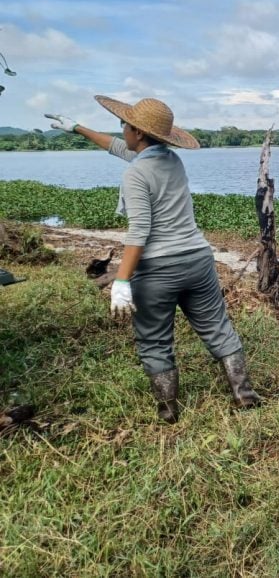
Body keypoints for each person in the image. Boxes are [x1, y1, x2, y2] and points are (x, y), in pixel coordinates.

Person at [47, 98, 261, 423]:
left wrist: (121, 280)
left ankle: (168, 411)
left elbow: (139, 231)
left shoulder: (135, 174)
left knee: (155, 340)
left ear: (137, 132)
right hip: (199, 261)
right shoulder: (172, 160)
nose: (122, 130)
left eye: (125, 125)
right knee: (217, 328)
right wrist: (77, 128)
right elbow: (120, 148)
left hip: (158, 270)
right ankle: (245, 395)